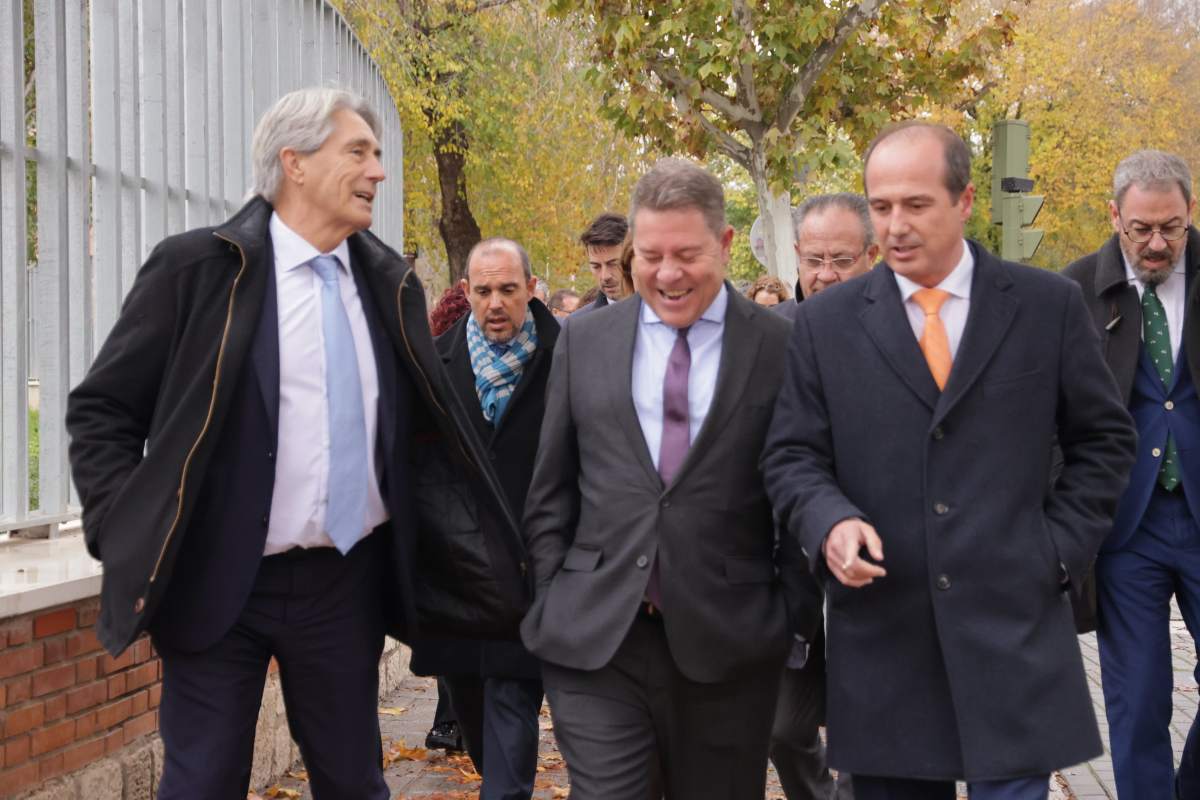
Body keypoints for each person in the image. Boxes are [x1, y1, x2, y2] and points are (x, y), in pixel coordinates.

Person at [65, 87, 527, 800]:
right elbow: (102, 411)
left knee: (354, 782)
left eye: (377, 155)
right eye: (359, 152)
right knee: (201, 782)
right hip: (217, 578)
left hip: (343, 584)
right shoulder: (197, 272)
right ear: (295, 163)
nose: (378, 171)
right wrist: (124, 530)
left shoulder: (388, 285)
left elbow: (422, 436)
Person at [761, 121, 1137, 800]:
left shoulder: (1047, 306)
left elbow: (1104, 442)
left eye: (916, 205)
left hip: (1014, 627)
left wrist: (1055, 550)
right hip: (884, 635)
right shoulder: (827, 322)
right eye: (881, 208)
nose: (895, 226)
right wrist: (829, 524)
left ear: (964, 202)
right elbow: (792, 455)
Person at [521, 158, 800, 799]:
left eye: (687, 254)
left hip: (730, 644)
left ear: (725, 245)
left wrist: (788, 617)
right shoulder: (584, 340)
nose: (667, 274)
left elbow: (799, 482)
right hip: (598, 640)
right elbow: (551, 487)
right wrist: (552, 593)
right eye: (649, 255)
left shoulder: (778, 348)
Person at [1062, 149, 1200, 800]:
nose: (1155, 242)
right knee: (1139, 698)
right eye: (1140, 228)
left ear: (1190, 213)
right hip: (1124, 530)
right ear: (1114, 215)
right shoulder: (1074, 292)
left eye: (1169, 227)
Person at [411, 237, 558, 800]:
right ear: (466, 293)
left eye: (508, 289)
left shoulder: (565, 357)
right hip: (458, 583)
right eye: (483, 290)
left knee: (511, 715)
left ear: (530, 290)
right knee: (475, 720)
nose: (495, 303)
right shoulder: (434, 361)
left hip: (530, 576)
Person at [768, 191, 878, 800]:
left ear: (872, 255)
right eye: (814, 260)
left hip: (878, 557)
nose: (825, 274)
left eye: (841, 259)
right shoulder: (769, 334)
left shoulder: (902, 330)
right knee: (784, 728)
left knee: (868, 732)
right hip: (791, 563)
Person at [573, 212, 631, 315]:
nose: (605, 276)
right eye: (596, 266)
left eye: (613, 264)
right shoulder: (578, 326)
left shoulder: (663, 315)